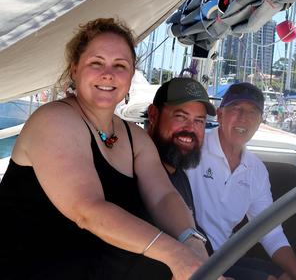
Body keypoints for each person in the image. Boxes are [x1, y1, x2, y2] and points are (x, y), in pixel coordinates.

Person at [0, 18, 208, 280]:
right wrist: (176, 256)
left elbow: (163, 197)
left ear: (131, 75)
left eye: (120, 66)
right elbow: (88, 210)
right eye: (96, 63)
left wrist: (192, 243)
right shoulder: (54, 121)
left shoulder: (135, 138)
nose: (108, 74)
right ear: (75, 69)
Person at [186, 82, 296, 280]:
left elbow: (270, 231)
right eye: (236, 109)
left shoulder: (256, 170)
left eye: (252, 112)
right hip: (188, 255)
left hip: (224, 256)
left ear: (260, 121)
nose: (243, 118)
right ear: (219, 115)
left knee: (289, 276)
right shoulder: (192, 150)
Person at [146, 77, 216, 254]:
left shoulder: (180, 176)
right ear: (153, 115)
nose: (191, 128)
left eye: (199, 121)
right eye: (181, 116)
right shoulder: (133, 173)